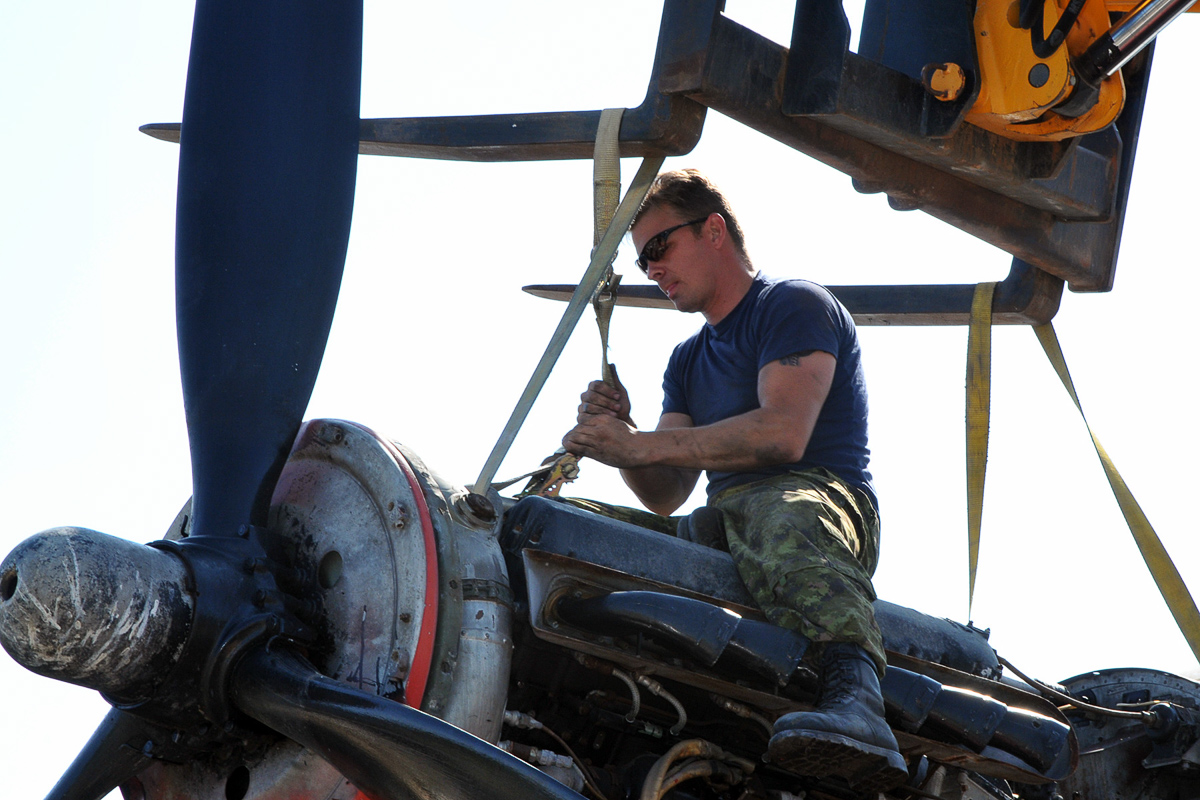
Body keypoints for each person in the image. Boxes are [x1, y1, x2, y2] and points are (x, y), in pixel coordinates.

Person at [562, 169, 906, 793]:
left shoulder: (793, 305)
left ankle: (858, 698)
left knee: (781, 516)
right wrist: (624, 437)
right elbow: (668, 492)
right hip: (725, 519)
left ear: (712, 229)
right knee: (578, 527)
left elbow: (782, 434)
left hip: (819, 500)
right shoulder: (687, 360)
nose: (652, 270)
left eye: (659, 249)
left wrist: (639, 444)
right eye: (642, 261)